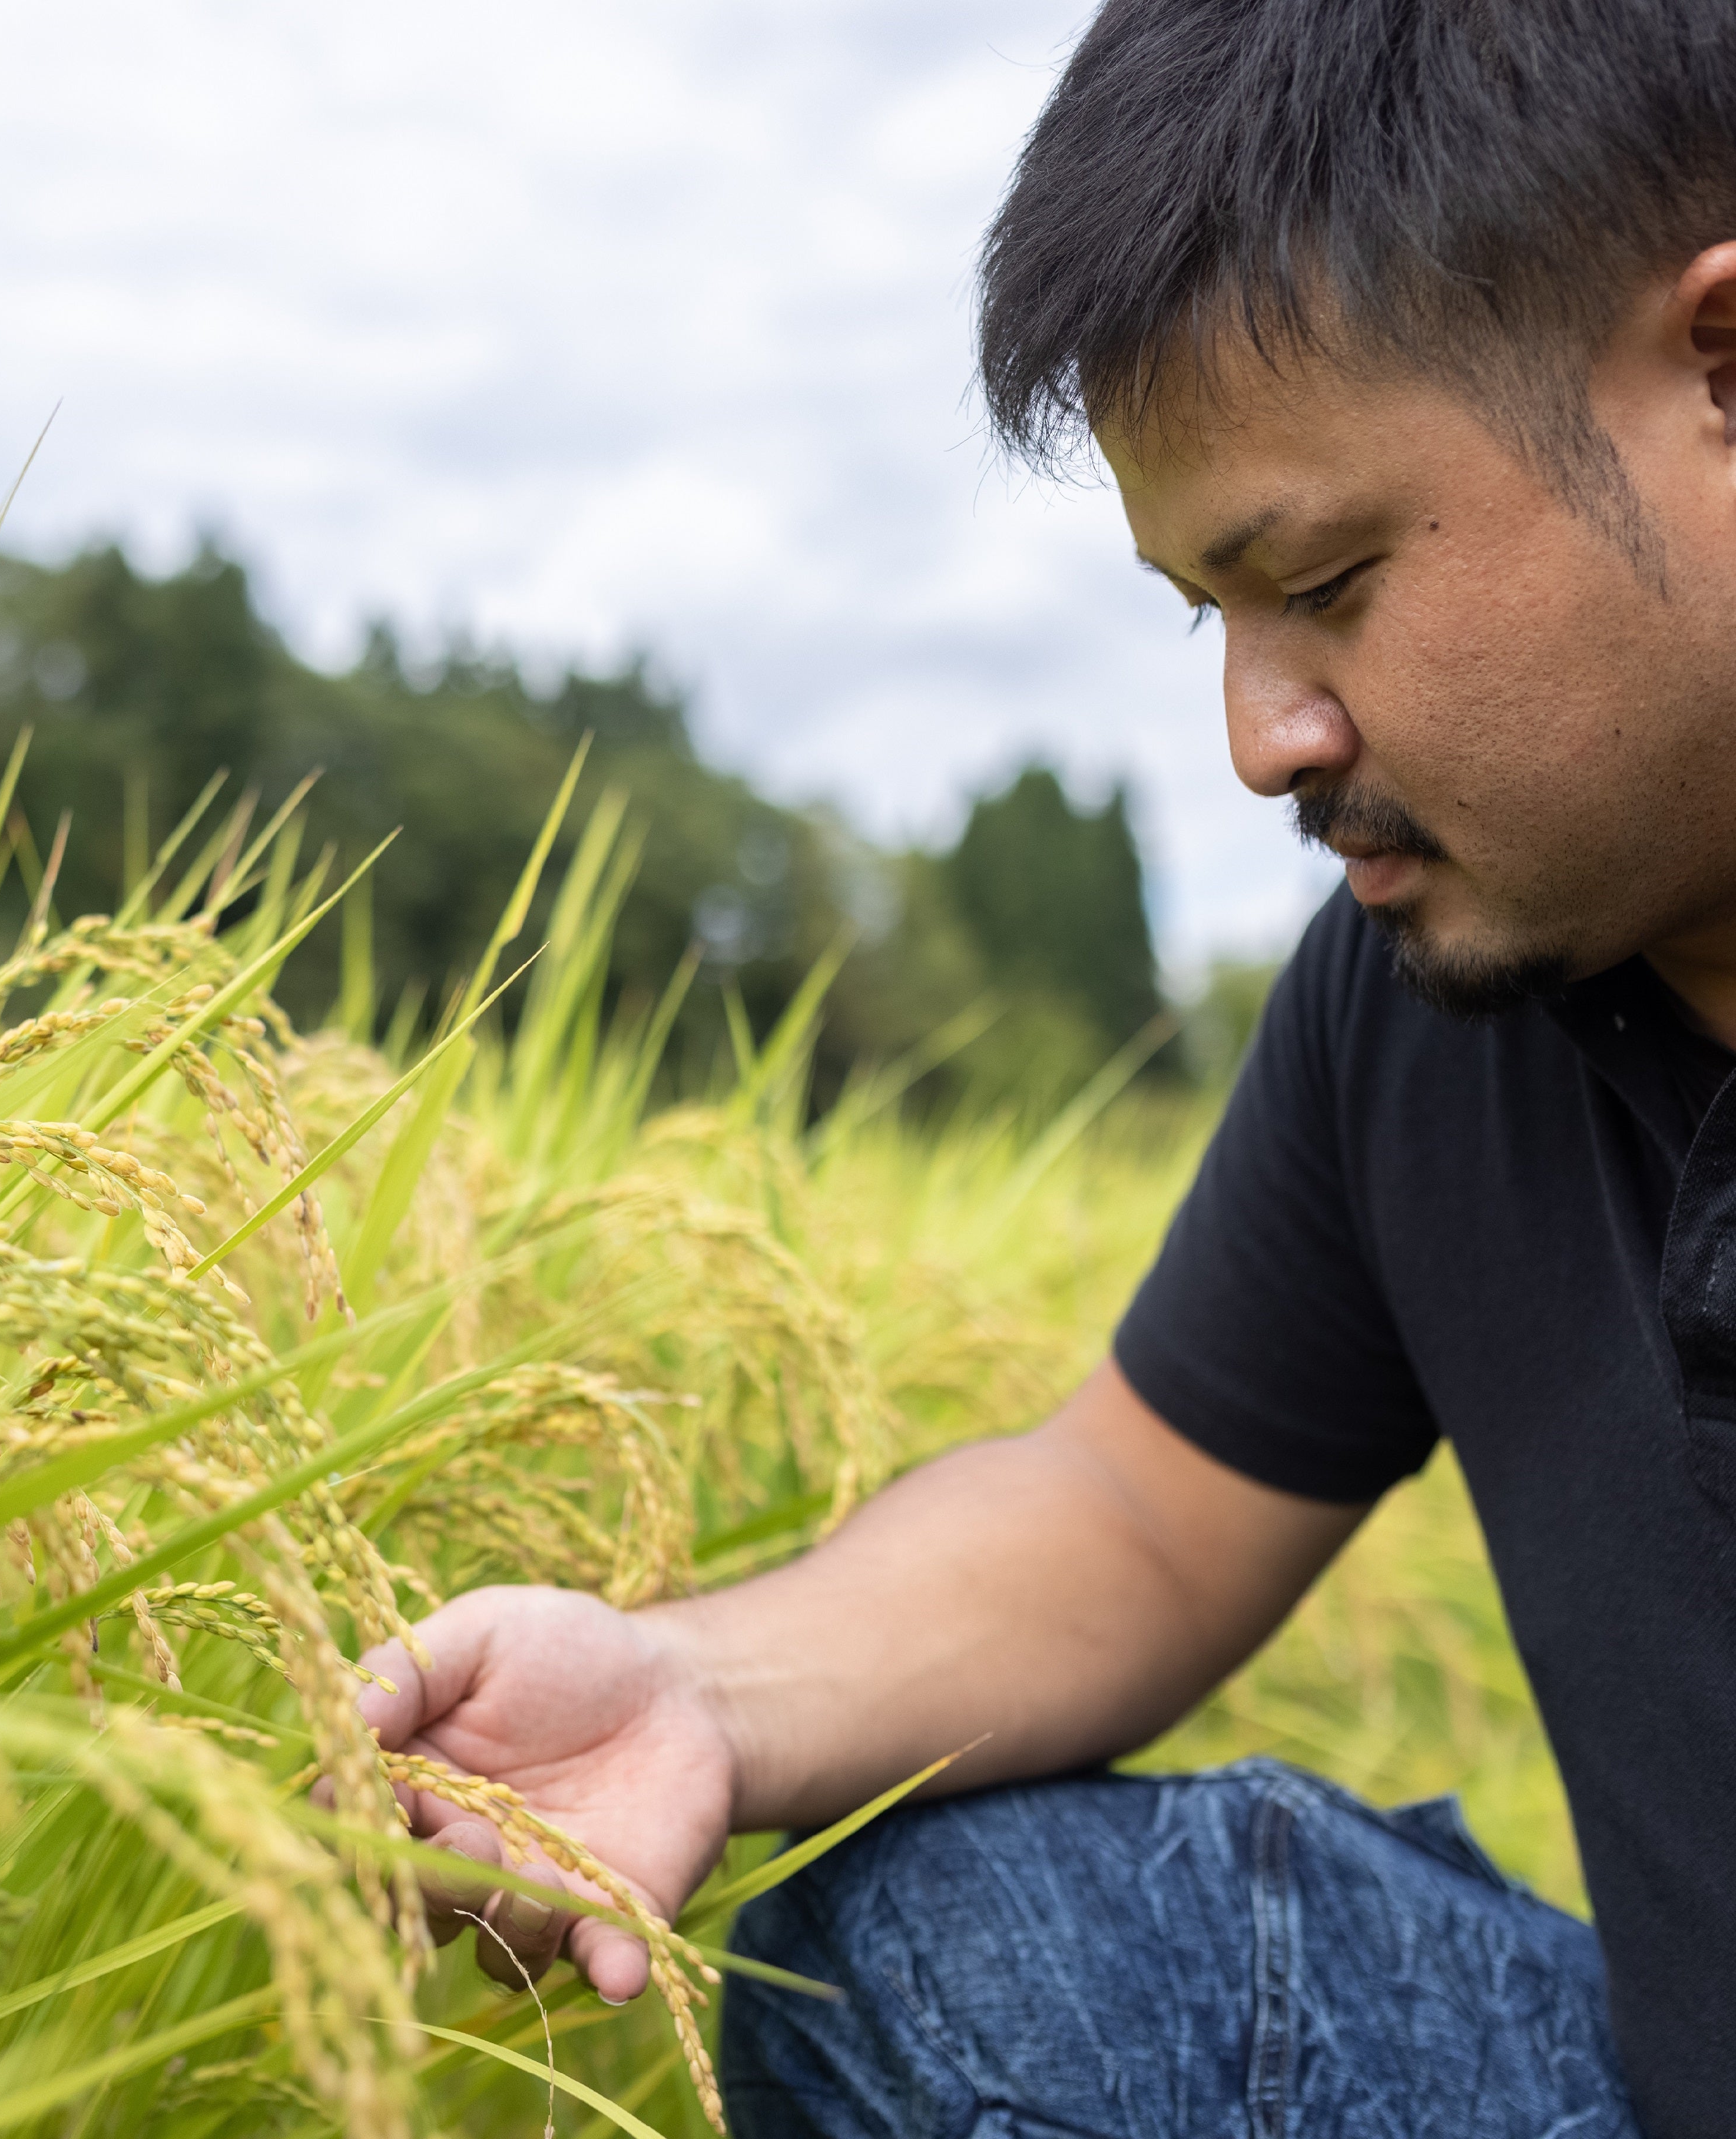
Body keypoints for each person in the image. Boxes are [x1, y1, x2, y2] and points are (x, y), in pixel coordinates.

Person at [355, 2, 1736, 2131]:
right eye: (1214, 615)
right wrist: (691, 1694)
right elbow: (1135, 1510)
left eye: (1328, 584)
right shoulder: (1431, 996)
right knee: (945, 1954)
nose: (1265, 737)